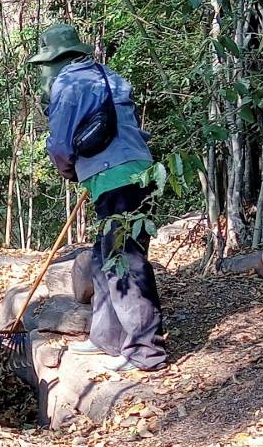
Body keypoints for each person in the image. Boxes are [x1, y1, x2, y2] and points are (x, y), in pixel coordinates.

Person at [28, 21, 166, 373]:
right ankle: (107, 337)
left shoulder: (67, 84)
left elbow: (59, 144)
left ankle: (146, 352)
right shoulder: (109, 75)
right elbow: (130, 127)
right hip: (138, 171)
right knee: (107, 257)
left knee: (125, 261)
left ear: (56, 60)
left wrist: (69, 170)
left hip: (113, 176)